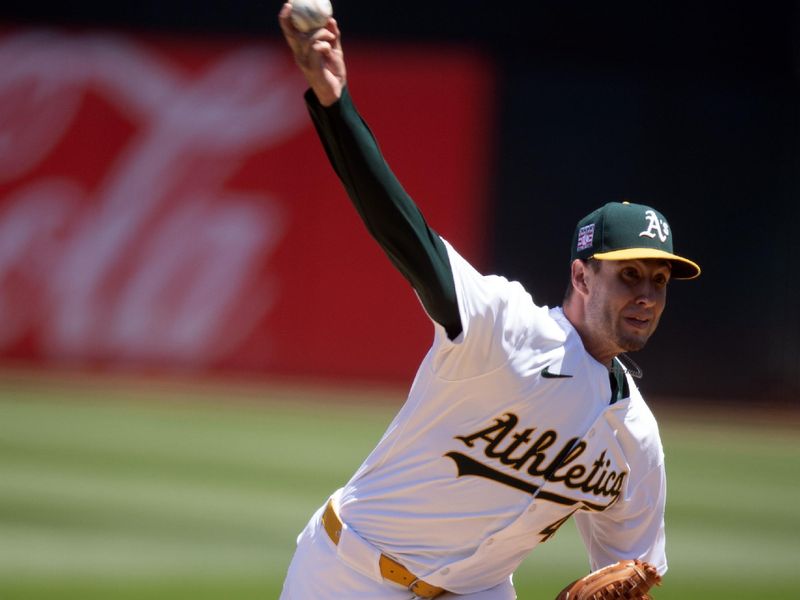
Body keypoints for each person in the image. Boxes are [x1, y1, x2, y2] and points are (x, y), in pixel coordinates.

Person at [277, 4, 701, 599]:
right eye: (629, 274)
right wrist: (334, 105)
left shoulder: (636, 439)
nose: (647, 295)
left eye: (659, 281)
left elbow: (634, 571)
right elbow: (404, 232)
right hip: (351, 574)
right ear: (581, 277)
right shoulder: (503, 327)